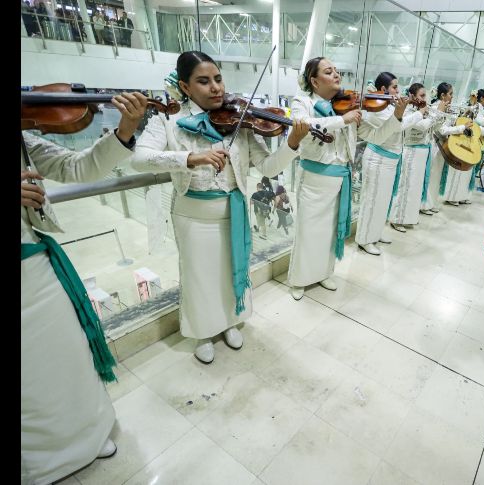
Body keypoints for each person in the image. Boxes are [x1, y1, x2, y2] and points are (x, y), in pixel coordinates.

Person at [131, 51, 309, 364]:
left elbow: (267, 168)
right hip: (192, 216)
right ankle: (202, 331)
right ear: (185, 87)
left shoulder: (240, 121)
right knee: (199, 276)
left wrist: (292, 143)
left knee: (230, 272)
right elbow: (139, 158)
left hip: (234, 213)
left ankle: (228, 321)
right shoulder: (169, 121)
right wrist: (188, 159)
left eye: (217, 79)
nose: (216, 88)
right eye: (203, 81)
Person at [22, 91, 148, 484]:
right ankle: (40, 462)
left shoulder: (23, 139)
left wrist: (126, 129)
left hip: (33, 264)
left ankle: (86, 437)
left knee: (65, 357)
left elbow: (77, 166)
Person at [287, 57, 405, 300]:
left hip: (340, 178)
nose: (336, 75)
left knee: (330, 232)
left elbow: (376, 137)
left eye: (337, 71)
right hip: (313, 179)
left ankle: (322, 273)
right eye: (329, 72)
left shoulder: (348, 105)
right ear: (314, 80)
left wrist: (397, 117)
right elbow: (304, 124)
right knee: (308, 231)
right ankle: (299, 279)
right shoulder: (303, 102)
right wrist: (343, 119)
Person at [354, 72, 412, 253]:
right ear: (383, 89)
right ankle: (364, 239)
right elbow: (398, 126)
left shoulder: (390, 106)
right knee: (372, 200)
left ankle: (376, 232)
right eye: (394, 87)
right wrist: (417, 115)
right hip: (377, 159)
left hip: (390, 160)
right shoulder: (376, 109)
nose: (398, 90)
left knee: (383, 200)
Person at [389, 82, 433, 229]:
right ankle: (397, 219)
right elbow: (421, 126)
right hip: (411, 151)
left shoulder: (421, 110)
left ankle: (408, 218)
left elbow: (430, 128)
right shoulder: (407, 110)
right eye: (421, 95)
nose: (424, 98)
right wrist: (432, 117)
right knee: (405, 186)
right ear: (412, 96)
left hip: (421, 152)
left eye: (425, 95)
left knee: (415, 187)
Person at [442, 88, 484, 206]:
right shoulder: (474, 108)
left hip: (473, 142)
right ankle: (453, 196)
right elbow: (477, 125)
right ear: (479, 98)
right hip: (465, 141)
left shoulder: (480, 109)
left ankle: (462, 196)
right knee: (460, 170)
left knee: (467, 172)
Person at [419, 82, 454, 216]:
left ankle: (431, 203)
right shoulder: (435, 108)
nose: (452, 97)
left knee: (436, 177)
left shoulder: (445, 107)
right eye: (450, 94)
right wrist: (461, 128)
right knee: (431, 176)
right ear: (442, 95)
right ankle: (425, 204)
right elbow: (442, 129)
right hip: (434, 145)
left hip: (441, 148)